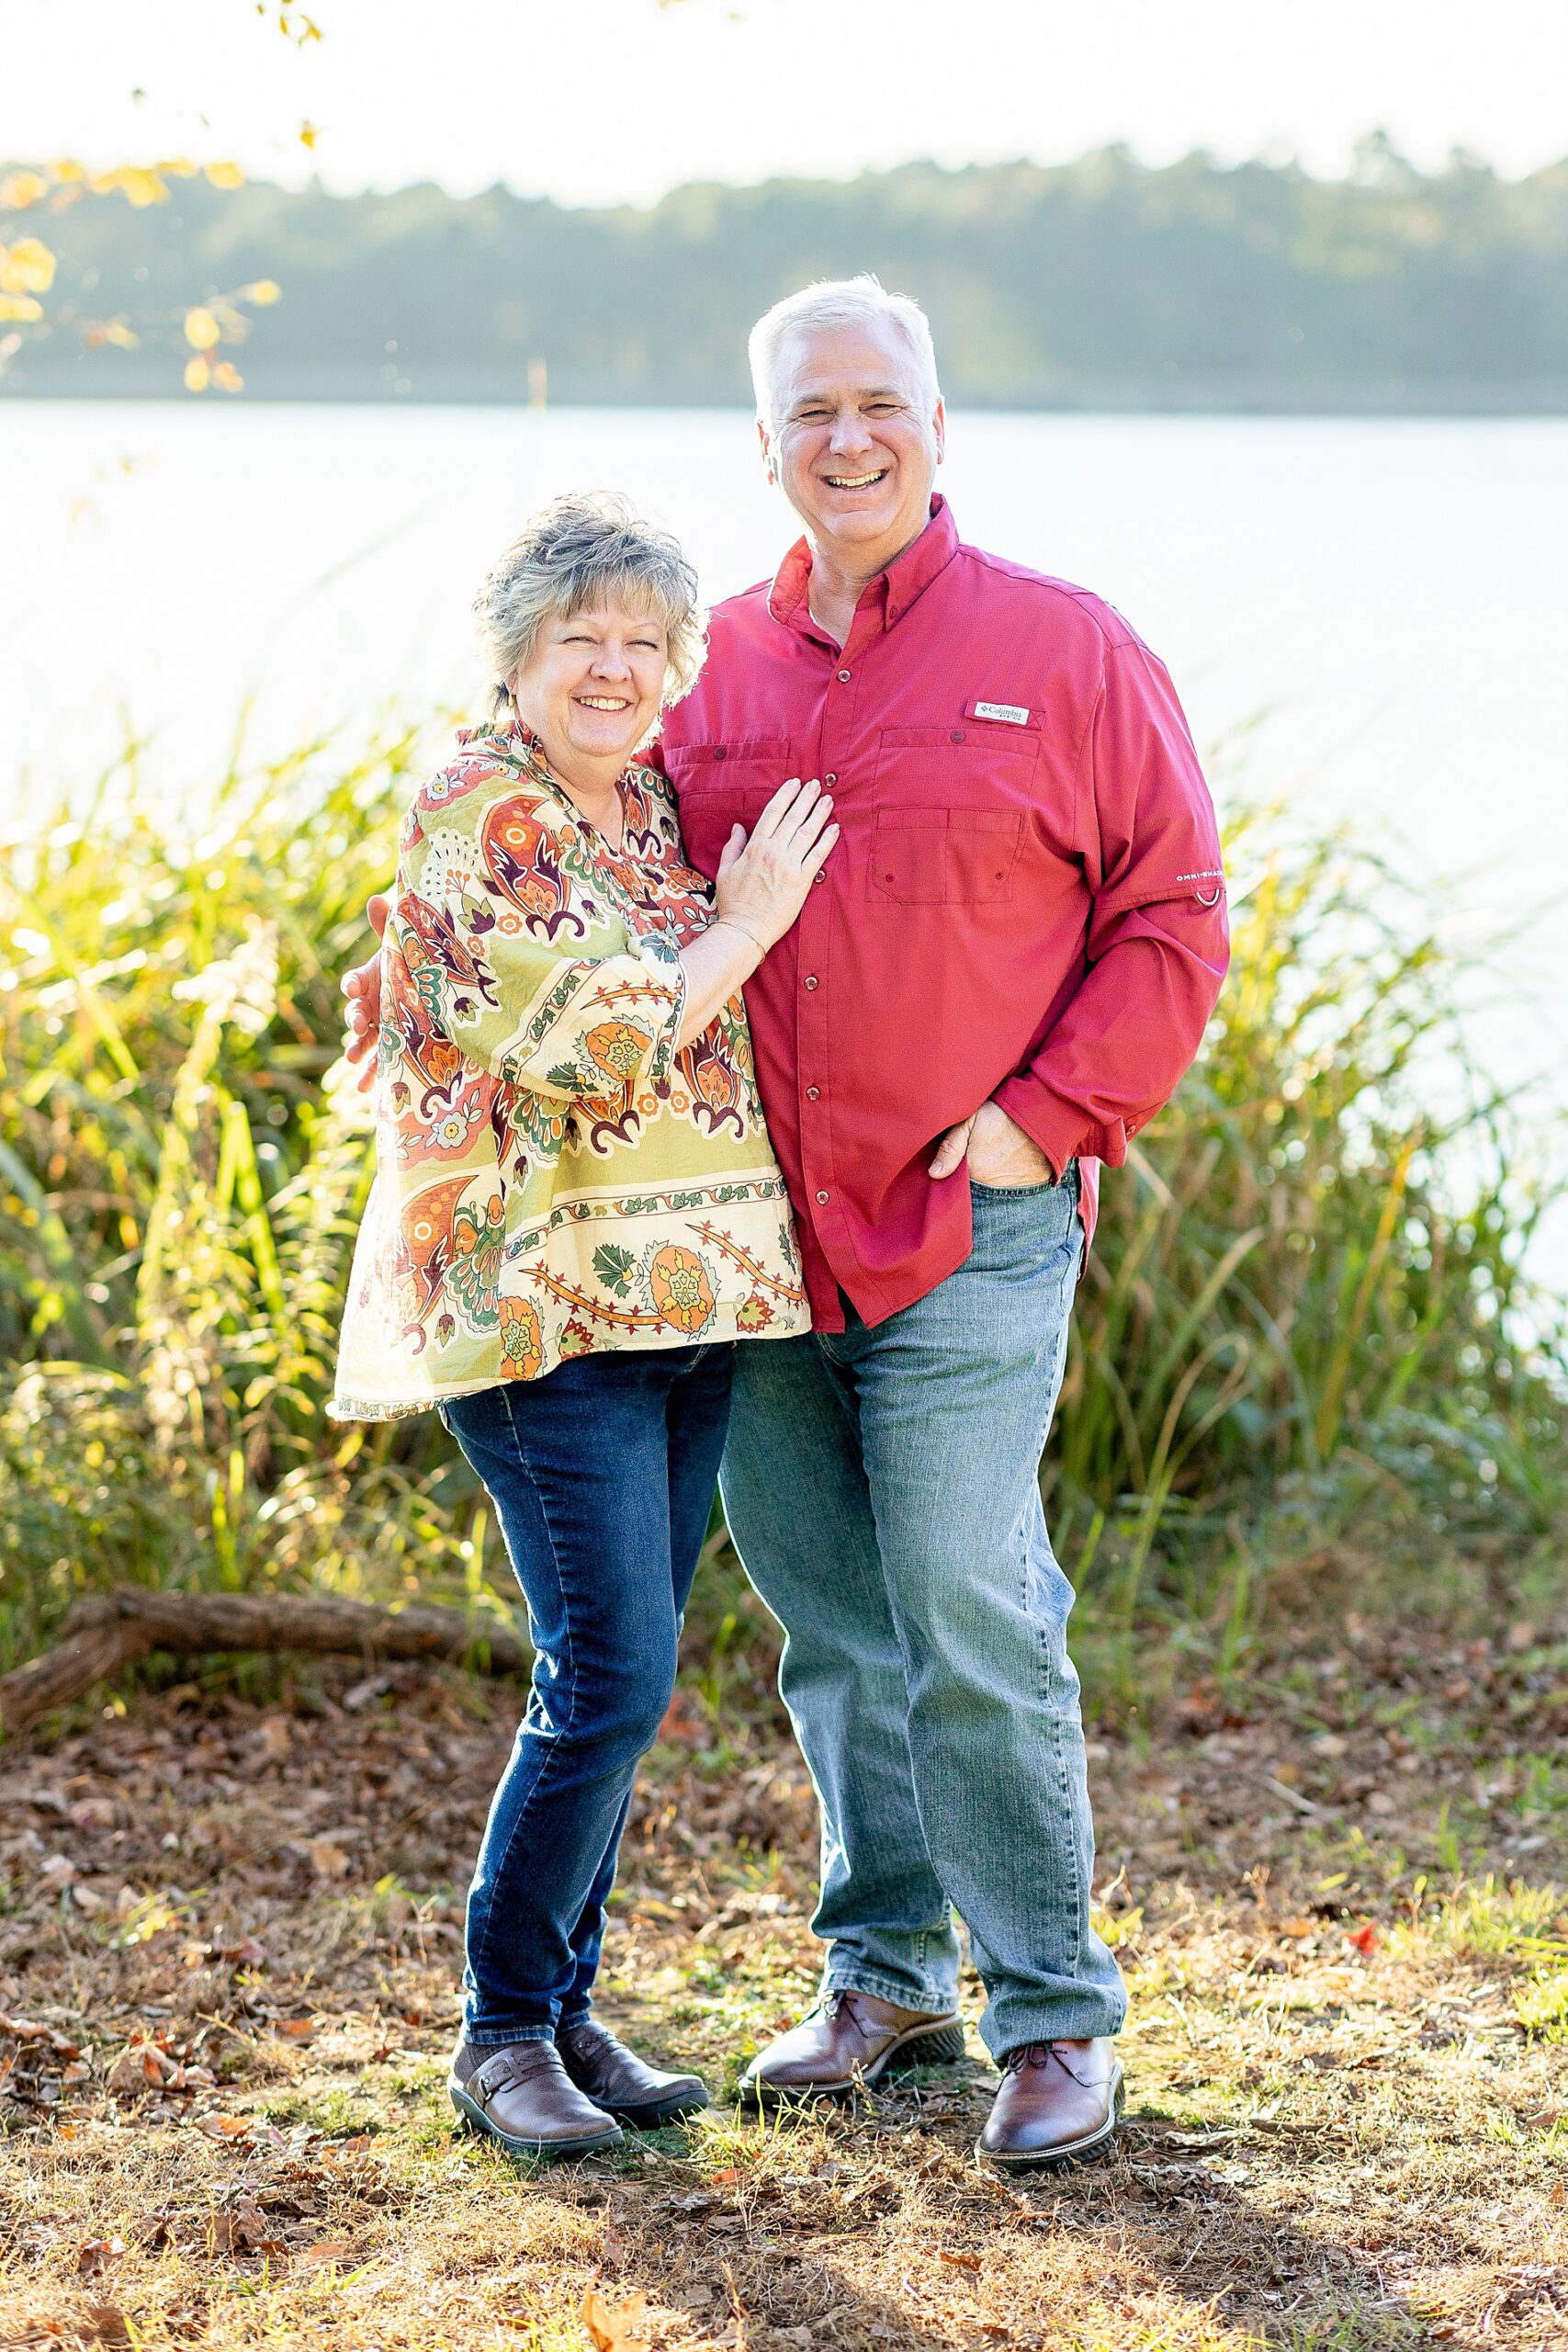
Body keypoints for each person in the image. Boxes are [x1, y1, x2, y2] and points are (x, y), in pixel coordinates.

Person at [343, 281, 1229, 2172]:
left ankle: (1051, 2010)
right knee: (827, 1617)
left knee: (970, 1601)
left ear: (933, 420)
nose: (845, 436)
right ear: (763, 447)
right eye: (807, 410)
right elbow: (553, 870)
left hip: (968, 1226)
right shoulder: (702, 667)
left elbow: (1172, 916)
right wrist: (404, 971)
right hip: (749, 1253)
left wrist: (1036, 1126)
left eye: (876, 403)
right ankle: (881, 1973)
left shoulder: (1064, 648)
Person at [331, 492, 838, 2160]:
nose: (615, 667)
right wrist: (750, 920)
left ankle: (561, 2008)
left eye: (645, 641)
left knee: (623, 1669)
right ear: (518, 658)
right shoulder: (484, 809)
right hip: (544, 1311)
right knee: (610, 1674)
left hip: (689, 1299)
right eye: (580, 640)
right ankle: (498, 2035)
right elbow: (602, 1041)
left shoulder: (643, 813)